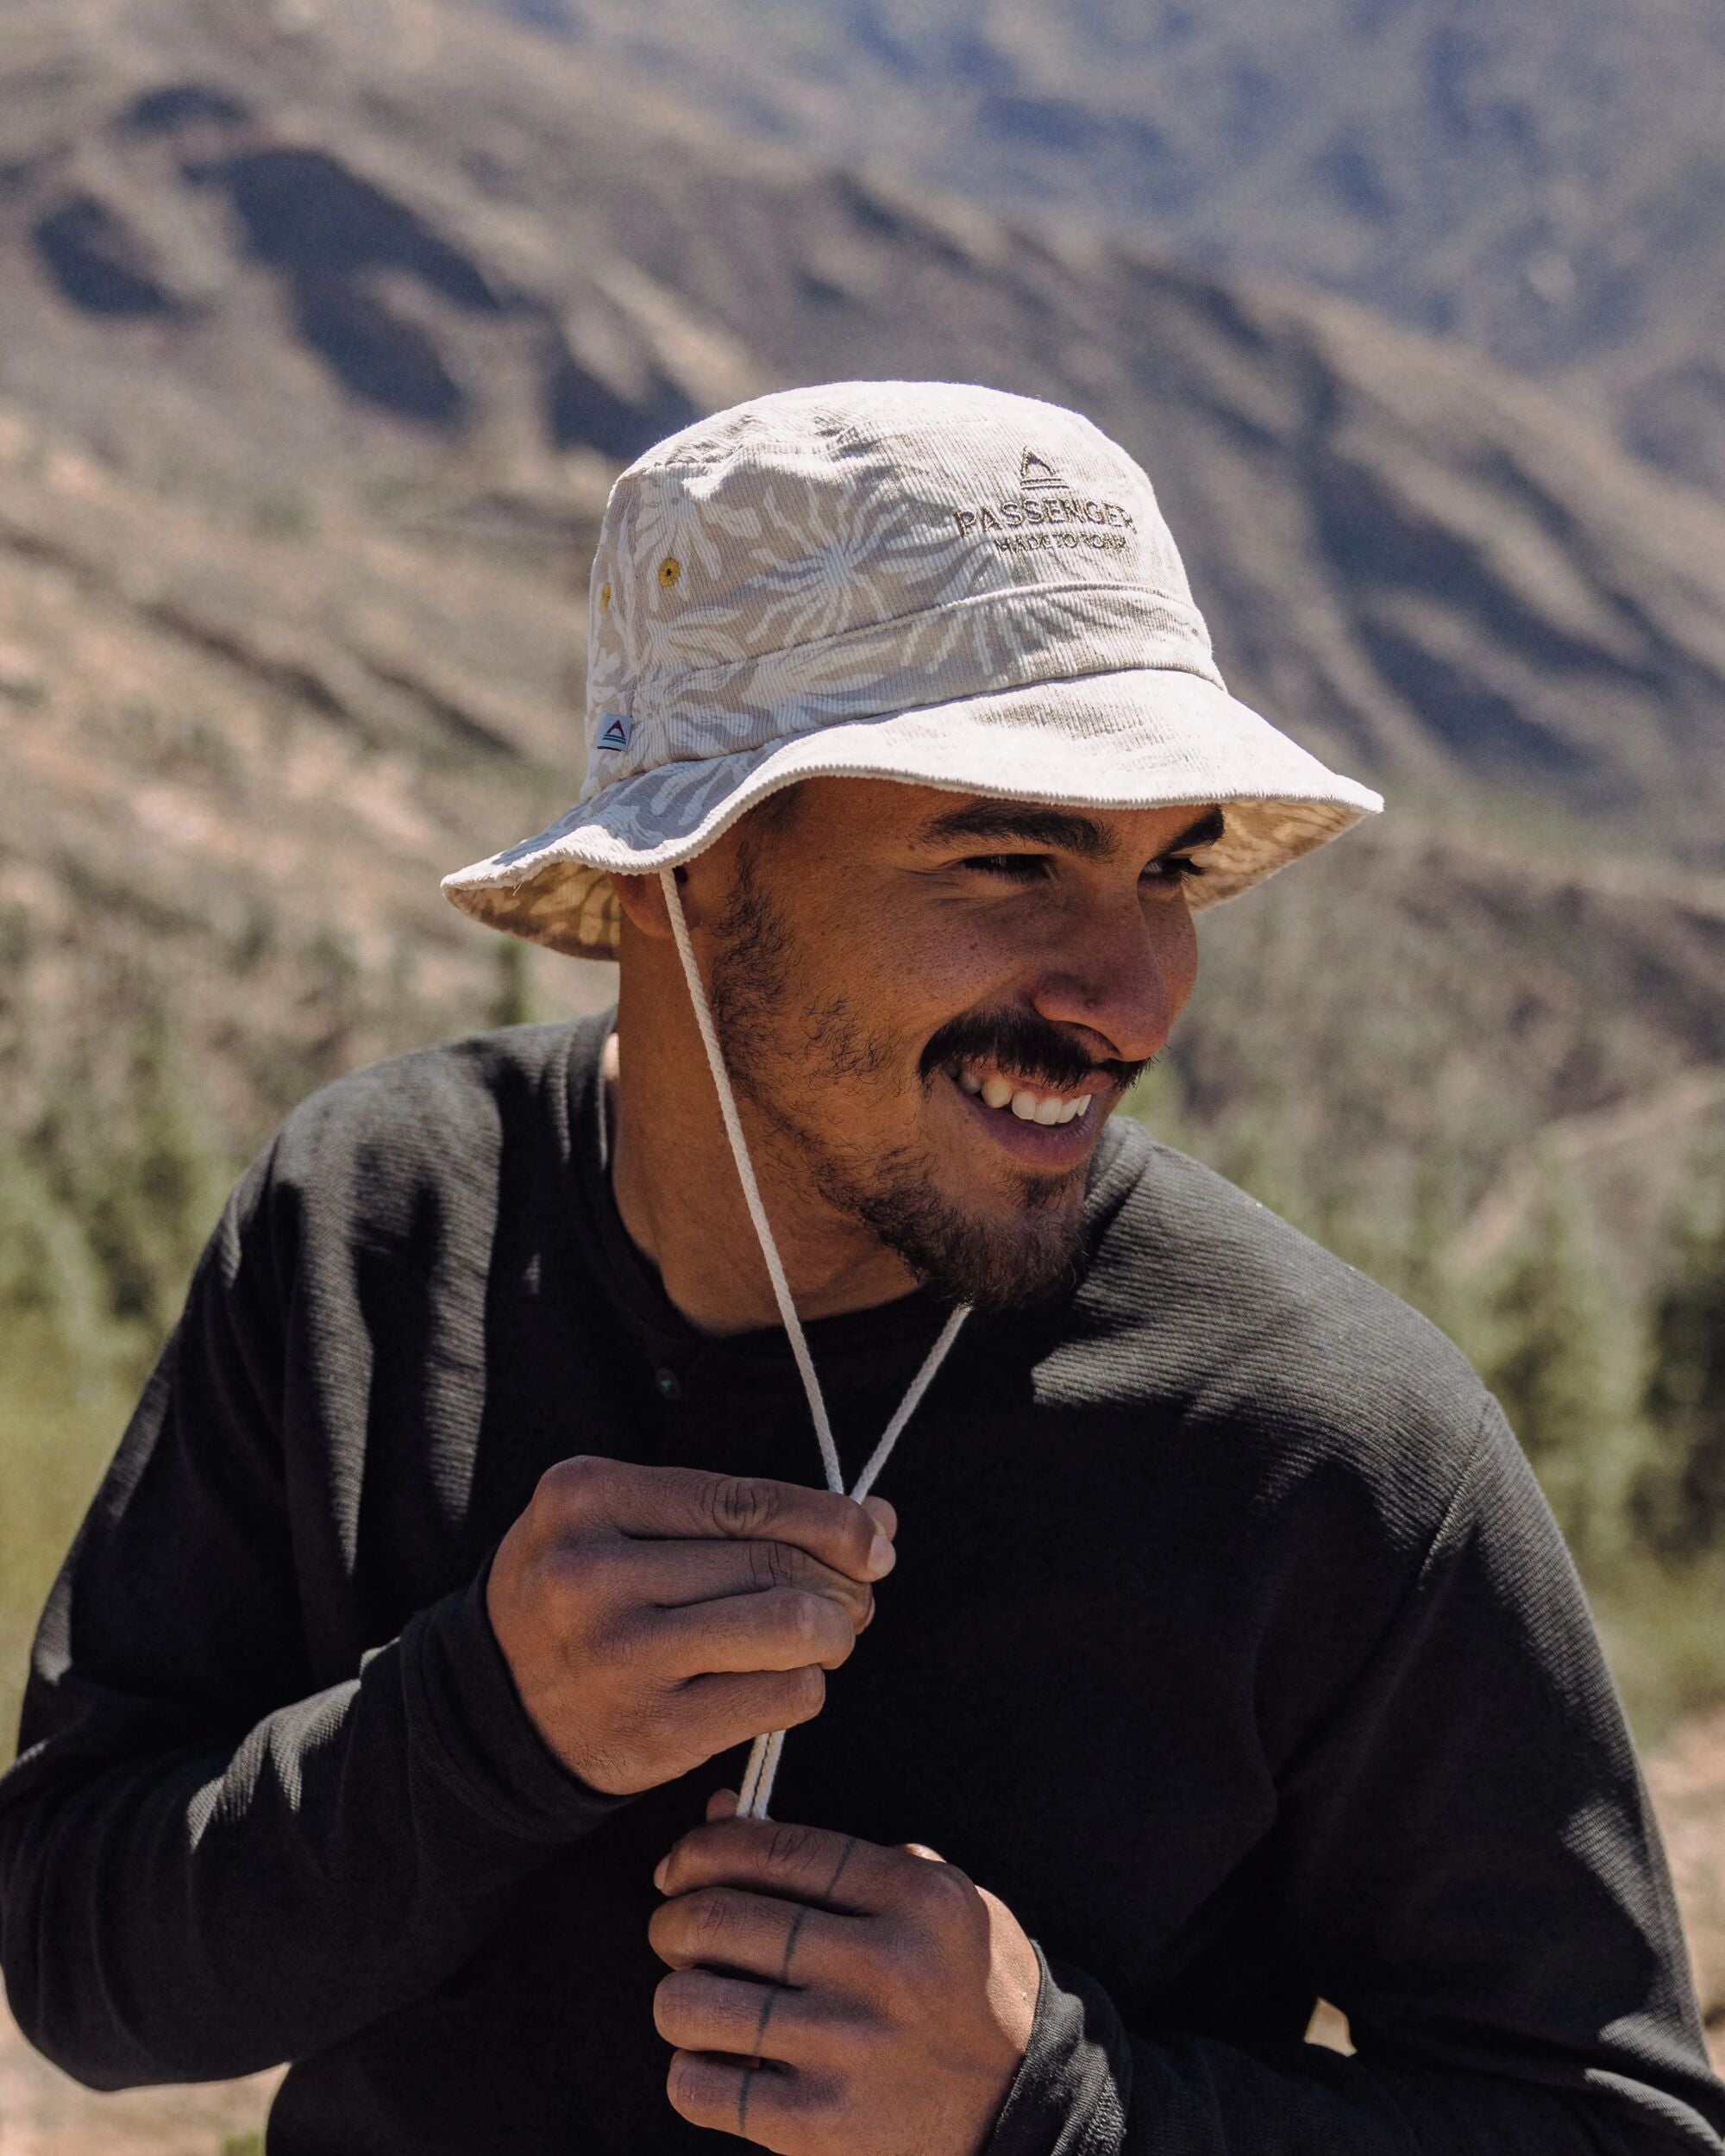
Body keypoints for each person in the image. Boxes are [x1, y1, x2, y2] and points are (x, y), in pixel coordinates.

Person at [1, 379, 1720, 2156]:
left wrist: (1056, 2104)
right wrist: (473, 1724)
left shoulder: (1327, 1447)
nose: (1131, 995)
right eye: (1010, 854)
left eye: (1168, 868)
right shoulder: (374, 1223)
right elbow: (78, 1957)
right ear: (689, 869)